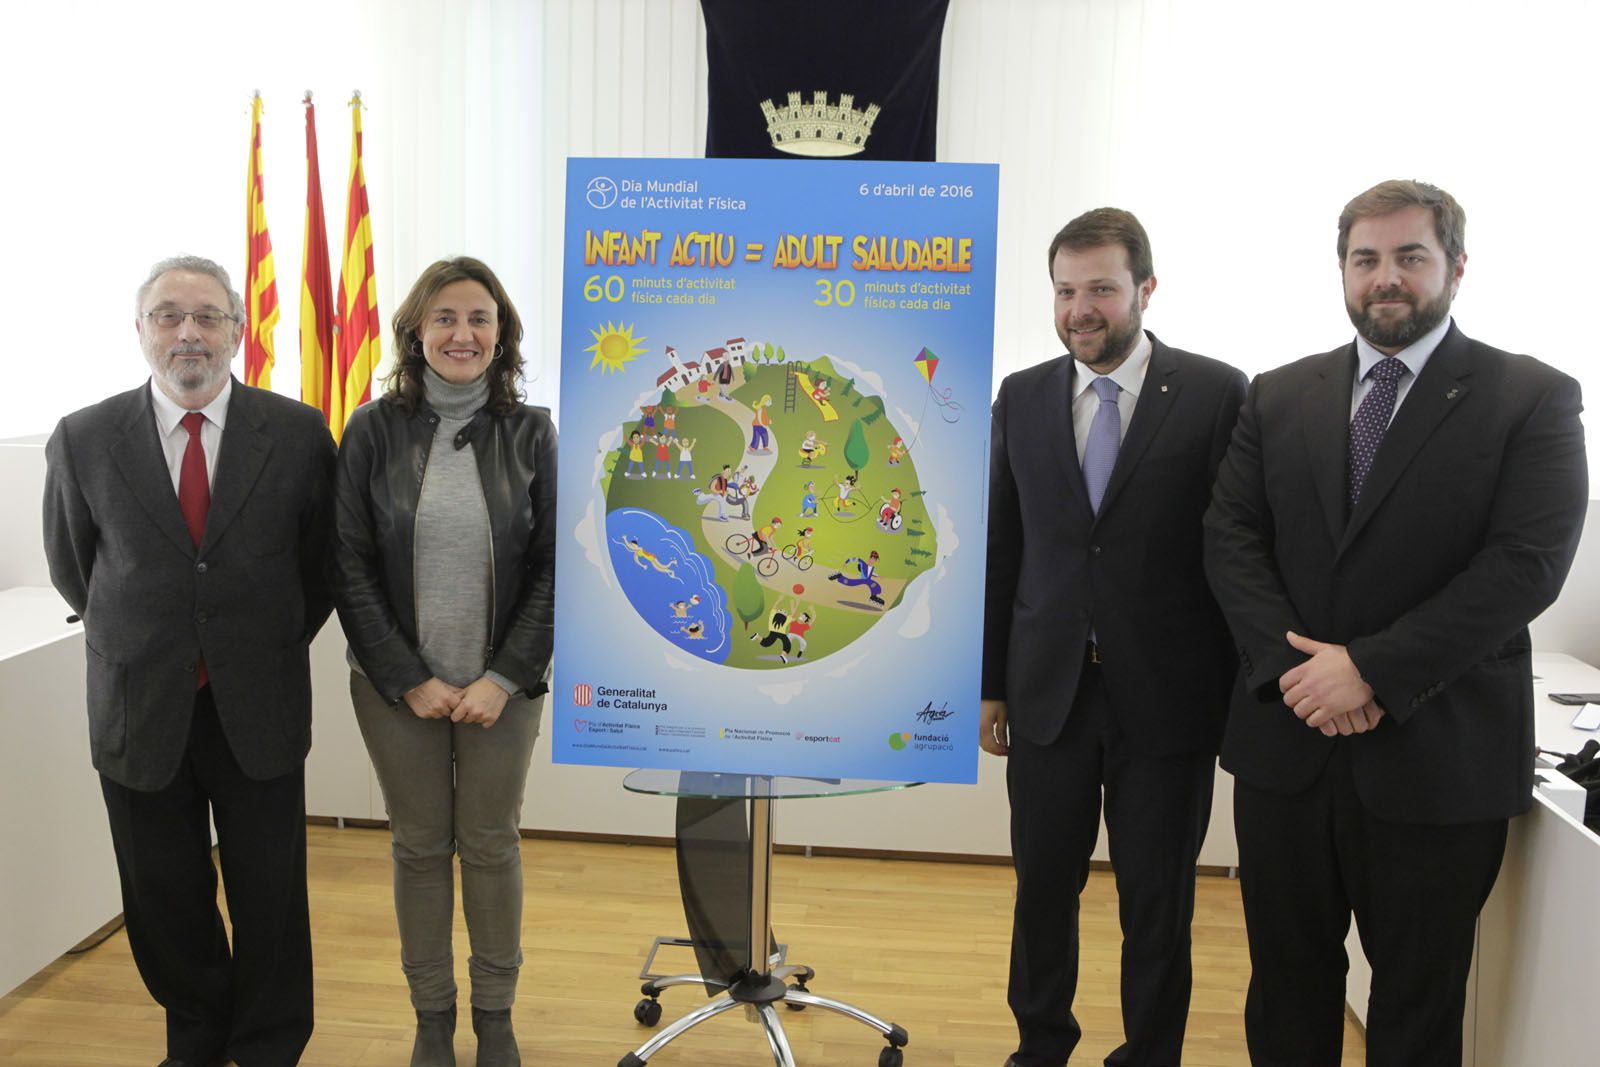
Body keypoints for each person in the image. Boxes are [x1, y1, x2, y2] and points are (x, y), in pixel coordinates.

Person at [1203, 180, 1588, 1066]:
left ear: (1456, 266)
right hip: (1289, 745)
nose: (1386, 277)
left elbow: (1525, 565)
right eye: (1366, 258)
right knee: (1287, 988)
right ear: (1342, 270)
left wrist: (1370, 669)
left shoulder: (1530, 396)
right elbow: (1230, 538)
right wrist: (1300, 675)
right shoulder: (1277, 393)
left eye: (1410, 256)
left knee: (1418, 1004)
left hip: (1438, 755)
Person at [43, 254, 335, 1067]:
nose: (189, 332)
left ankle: (269, 1044)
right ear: (140, 330)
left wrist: (252, 642)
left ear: (238, 330)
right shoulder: (84, 437)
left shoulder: (299, 433)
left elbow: (319, 570)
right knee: (163, 894)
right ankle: (198, 1037)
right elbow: (77, 567)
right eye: (169, 315)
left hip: (259, 703)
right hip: (140, 706)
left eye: (208, 315)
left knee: (270, 894)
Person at [981, 208, 1246, 1067]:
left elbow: (1238, 552)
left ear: (1145, 289)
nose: (1079, 309)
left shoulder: (1215, 393)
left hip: (1168, 699)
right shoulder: (1022, 395)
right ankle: (1040, 1045)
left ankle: (1150, 1053)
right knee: (1042, 890)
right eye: (1064, 290)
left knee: (1158, 901)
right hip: (1048, 694)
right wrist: (990, 684)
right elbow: (1003, 546)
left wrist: (1240, 696)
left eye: (1100, 288)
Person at [332, 256, 556, 1067]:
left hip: (503, 689)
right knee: (420, 847)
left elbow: (553, 566)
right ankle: (433, 1018)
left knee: (491, 843)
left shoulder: (533, 432)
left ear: (502, 334)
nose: (463, 333)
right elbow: (348, 563)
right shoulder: (370, 429)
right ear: (415, 332)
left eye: (479, 318)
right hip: (398, 688)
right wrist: (407, 677)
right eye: (445, 318)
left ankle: (495, 1017)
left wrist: (503, 677)